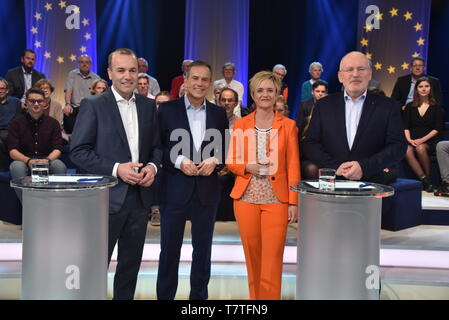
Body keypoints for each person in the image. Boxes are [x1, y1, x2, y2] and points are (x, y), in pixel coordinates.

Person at [70, 48, 162, 300]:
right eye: (120, 70)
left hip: (139, 200)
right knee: (96, 267)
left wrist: (152, 168)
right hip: (105, 201)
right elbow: (78, 151)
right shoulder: (93, 105)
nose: (127, 76)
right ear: (110, 73)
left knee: (130, 268)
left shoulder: (147, 105)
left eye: (132, 70)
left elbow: (156, 147)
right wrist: (116, 169)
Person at [157, 60, 228, 300]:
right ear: (185, 81)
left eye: (205, 79)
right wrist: (178, 161)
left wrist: (215, 160)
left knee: (202, 252)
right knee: (169, 251)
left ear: (210, 84)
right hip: (174, 187)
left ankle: (199, 300)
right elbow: (158, 147)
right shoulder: (166, 110)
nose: (199, 83)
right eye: (195, 78)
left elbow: (224, 147)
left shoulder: (219, 114)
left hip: (207, 191)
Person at [226, 71, 300, 300]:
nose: (265, 94)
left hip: (276, 201)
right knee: (253, 258)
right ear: (253, 95)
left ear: (277, 93)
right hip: (245, 199)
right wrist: (247, 167)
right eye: (260, 90)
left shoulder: (288, 125)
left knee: (272, 259)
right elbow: (231, 161)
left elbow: (293, 164)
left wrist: (293, 202)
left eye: (270, 90)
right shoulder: (241, 124)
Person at [303, 51, 407, 185]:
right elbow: (311, 143)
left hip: (374, 183)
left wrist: (364, 167)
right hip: (333, 183)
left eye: (361, 69)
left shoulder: (389, 106)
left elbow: (398, 146)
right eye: (349, 69)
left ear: (370, 74)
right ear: (340, 76)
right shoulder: (323, 106)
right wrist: (336, 167)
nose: (355, 74)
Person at [8, 88, 66, 201]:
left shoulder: (53, 123)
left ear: (44, 103)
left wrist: (47, 160)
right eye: (32, 101)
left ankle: (55, 202)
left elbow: (58, 148)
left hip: (47, 159)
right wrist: (28, 161)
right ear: (26, 103)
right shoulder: (16, 122)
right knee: (16, 166)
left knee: (59, 165)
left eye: (39, 101)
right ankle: (28, 204)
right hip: (24, 160)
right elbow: (12, 150)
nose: (36, 104)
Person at [403, 77, 444, 192]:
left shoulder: (437, 108)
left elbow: (437, 129)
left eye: (426, 86)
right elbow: (405, 127)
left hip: (430, 140)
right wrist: (409, 140)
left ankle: (429, 178)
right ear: (416, 89)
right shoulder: (409, 107)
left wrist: (421, 140)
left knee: (420, 148)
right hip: (411, 139)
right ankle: (424, 180)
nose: (424, 89)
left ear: (431, 89)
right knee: (407, 150)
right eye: (421, 87)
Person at [149, 91, 172, 227]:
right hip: (153, 160)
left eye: (165, 104)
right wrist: (157, 162)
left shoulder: (177, 122)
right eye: (158, 104)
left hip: (173, 160)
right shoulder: (148, 121)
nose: (161, 107)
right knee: (156, 171)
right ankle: (155, 210)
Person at [296, 80, 328, 179]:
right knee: (311, 168)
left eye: (323, 92)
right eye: (318, 91)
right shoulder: (304, 105)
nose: (320, 94)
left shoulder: (330, 106)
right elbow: (301, 126)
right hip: (307, 143)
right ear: (312, 92)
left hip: (325, 144)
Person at [63, 54, 100, 134]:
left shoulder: (96, 78)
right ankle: (71, 140)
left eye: (87, 62)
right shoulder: (72, 74)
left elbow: (99, 95)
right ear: (78, 64)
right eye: (82, 62)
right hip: (75, 107)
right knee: (66, 112)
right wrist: (67, 104)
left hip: (90, 109)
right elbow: (68, 90)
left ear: (90, 64)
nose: (84, 64)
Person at [0, 78, 22, 171]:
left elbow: (19, 120)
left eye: (2, 88)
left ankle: (16, 168)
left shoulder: (15, 102)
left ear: (7, 90)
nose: (0, 91)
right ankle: (3, 171)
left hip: (11, 131)